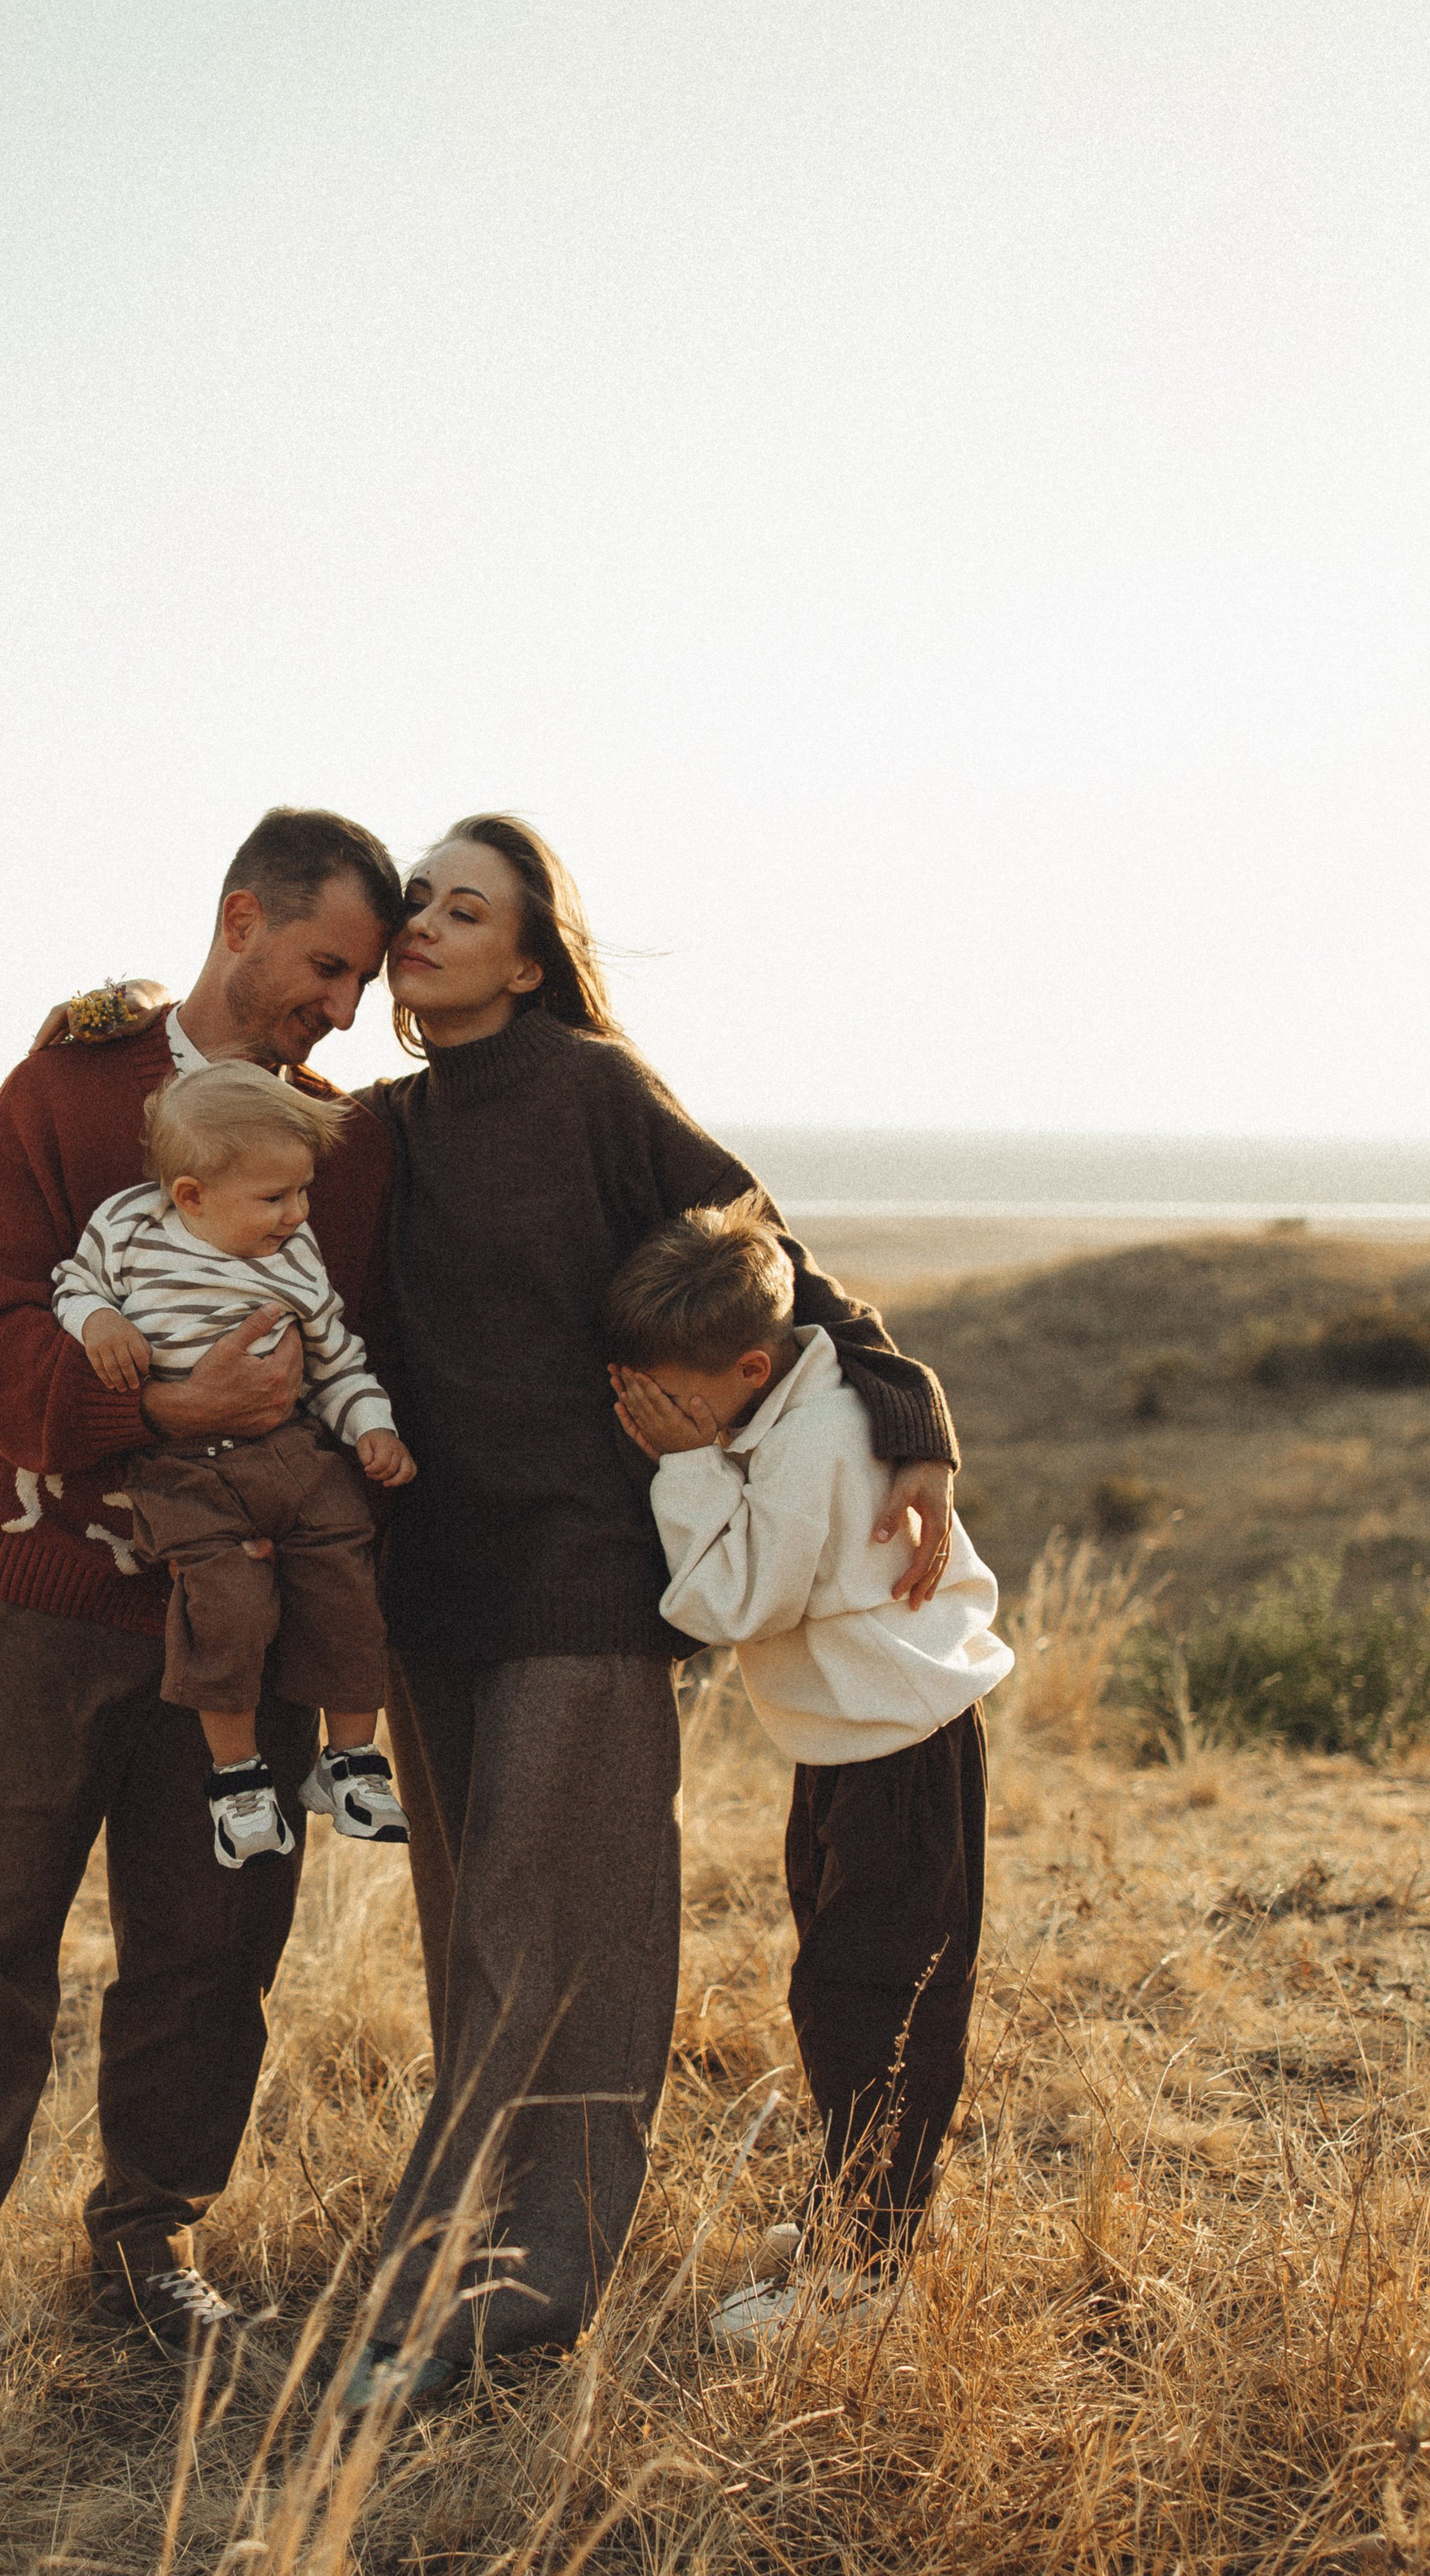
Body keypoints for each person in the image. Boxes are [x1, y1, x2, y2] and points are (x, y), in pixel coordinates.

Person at [329, 817, 962, 2413]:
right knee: (472, 1938)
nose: (424, 926)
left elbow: (764, 1254)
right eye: (416, 902)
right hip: (433, 1587)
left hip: (585, 1576)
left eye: (465, 909)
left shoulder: (590, 1090)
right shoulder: (382, 1126)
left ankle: (505, 2288)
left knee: (556, 1933)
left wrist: (904, 1409)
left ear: (527, 959)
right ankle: (472, 2247)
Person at [0, 807, 404, 2397]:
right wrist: (159, 1410)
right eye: (324, 967)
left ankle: (148, 2254)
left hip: (248, 1633)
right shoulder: (66, 1091)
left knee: (214, 1947)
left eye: (362, 984)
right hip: (44, 1608)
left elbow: (361, 1354)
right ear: (241, 918)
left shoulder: (342, 1151)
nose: (342, 1009)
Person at [607, 1202, 1012, 2350]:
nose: (653, 1413)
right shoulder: (792, 1397)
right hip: (850, 1743)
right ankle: (856, 2220)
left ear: (750, 1367)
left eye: (671, 1396)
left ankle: (862, 2278)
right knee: (839, 1989)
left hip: (898, 1752)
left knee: (877, 2005)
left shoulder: (817, 1442)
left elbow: (733, 1601)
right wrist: (699, 1439)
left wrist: (687, 1466)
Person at [50, 1059, 414, 1867]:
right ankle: (239, 1781)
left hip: (290, 1452)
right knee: (228, 1609)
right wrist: (101, 1323)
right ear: (191, 1196)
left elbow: (336, 1358)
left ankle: (349, 1763)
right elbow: (72, 1286)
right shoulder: (130, 1227)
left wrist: (371, 1427)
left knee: (347, 1580)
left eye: (303, 1191)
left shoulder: (294, 1255)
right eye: (275, 1197)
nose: (298, 1213)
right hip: (180, 1470)